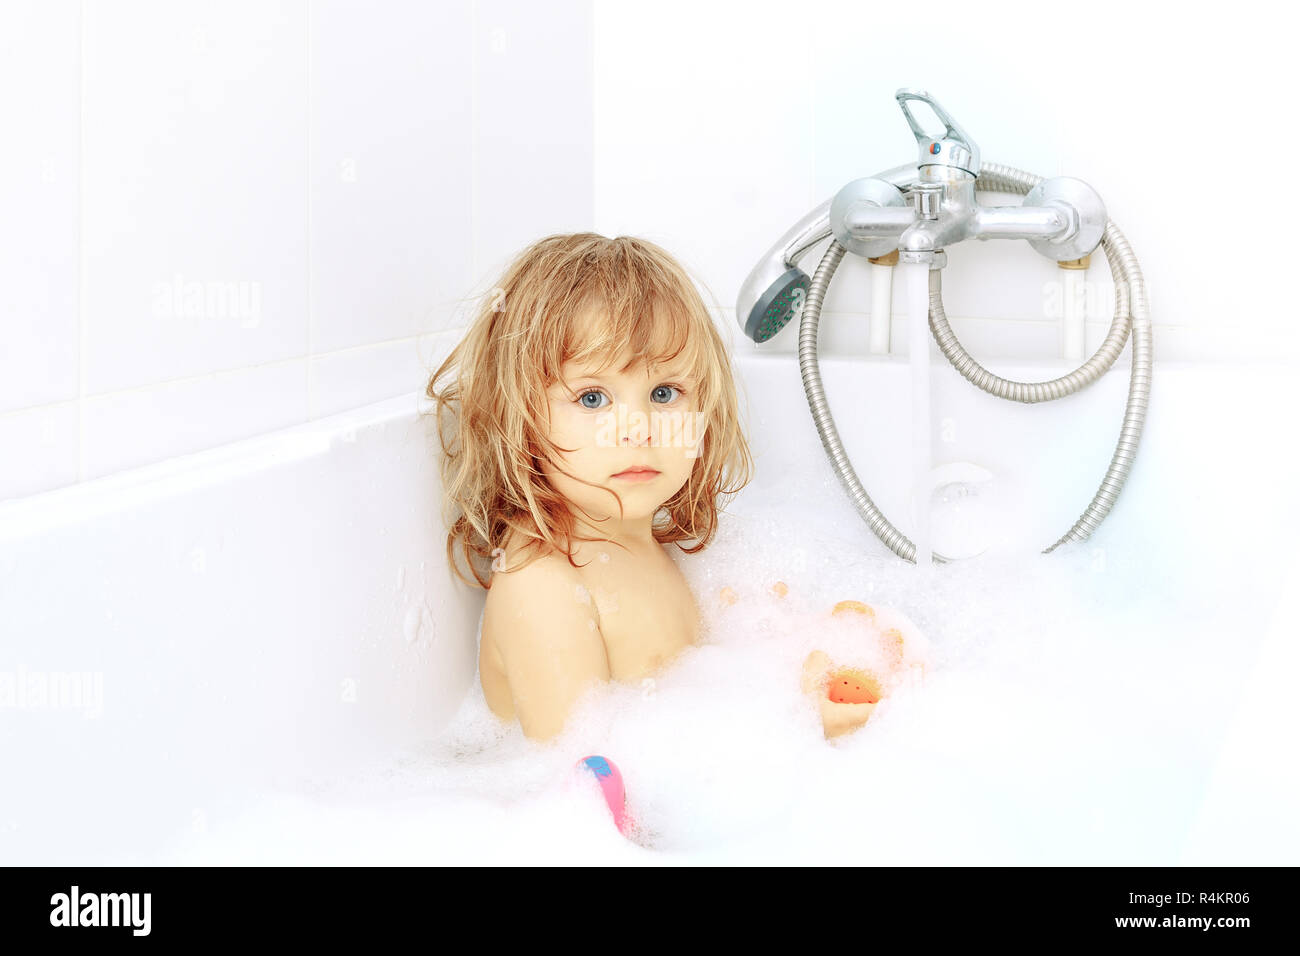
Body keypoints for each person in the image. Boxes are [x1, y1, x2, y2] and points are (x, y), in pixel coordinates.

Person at [426, 233, 750, 742]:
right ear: (521, 420)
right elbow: (581, 790)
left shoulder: (646, 543)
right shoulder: (546, 589)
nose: (639, 428)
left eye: (664, 393)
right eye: (594, 398)